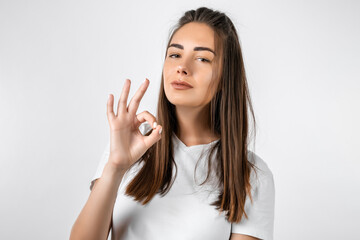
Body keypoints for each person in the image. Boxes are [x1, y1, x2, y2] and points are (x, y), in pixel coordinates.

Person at [70, 6, 275, 240]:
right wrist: (115, 167)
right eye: (175, 54)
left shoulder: (251, 174)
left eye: (202, 58)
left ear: (225, 77)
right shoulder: (128, 146)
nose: (182, 67)